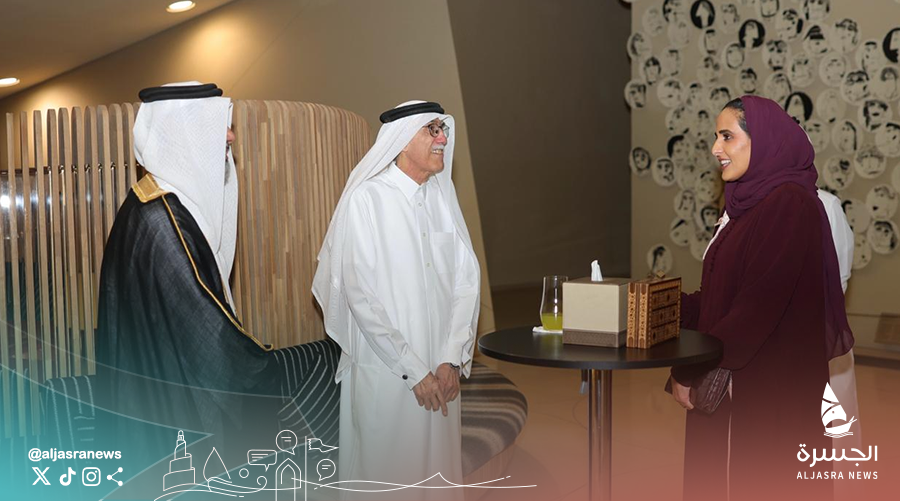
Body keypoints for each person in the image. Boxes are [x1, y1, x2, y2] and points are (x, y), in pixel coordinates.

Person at [96, 83, 282, 489]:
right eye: (219, 126)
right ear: (184, 134)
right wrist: (263, 367)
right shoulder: (163, 222)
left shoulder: (152, 204)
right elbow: (205, 333)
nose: (230, 136)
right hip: (173, 409)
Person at [670, 96, 853, 501]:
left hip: (773, 389)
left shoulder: (789, 204)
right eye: (716, 137)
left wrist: (689, 370)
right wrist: (662, 308)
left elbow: (755, 308)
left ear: (764, 140)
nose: (715, 148)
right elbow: (720, 296)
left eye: (727, 136)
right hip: (742, 375)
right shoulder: (747, 204)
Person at [313, 101, 480, 499]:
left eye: (442, 129)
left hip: (441, 375)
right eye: (432, 130)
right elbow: (360, 296)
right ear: (403, 140)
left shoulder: (442, 197)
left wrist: (450, 358)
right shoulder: (367, 200)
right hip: (389, 376)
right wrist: (413, 370)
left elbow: (466, 283)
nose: (443, 139)